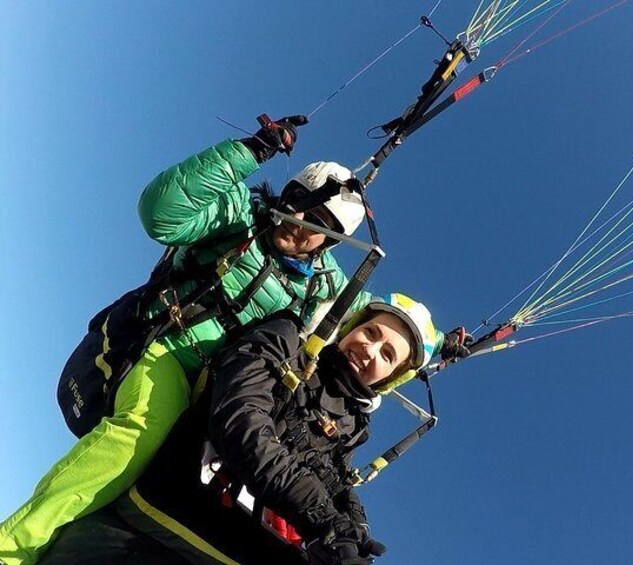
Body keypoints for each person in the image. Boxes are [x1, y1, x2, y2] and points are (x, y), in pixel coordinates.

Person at [0, 116, 463, 565]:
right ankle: (14, 547)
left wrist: (437, 344)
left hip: (220, 386)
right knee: (140, 432)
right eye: (297, 199)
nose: (299, 220)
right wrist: (249, 151)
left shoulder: (325, 286)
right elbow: (160, 213)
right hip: (172, 355)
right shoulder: (241, 217)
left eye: (318, 219)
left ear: (331, 241)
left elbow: (384, 325)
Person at [39, 294, 443, 564]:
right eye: (371, 332)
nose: (369, 350)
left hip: (225, 534)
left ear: (390, 377)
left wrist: (353, 533)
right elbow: (241, 421)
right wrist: (321, 517)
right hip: (170, 501)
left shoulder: (350, 425)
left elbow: (334, 480)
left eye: (387, 354)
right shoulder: (287, 339)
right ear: (353, 325)